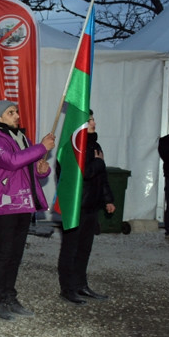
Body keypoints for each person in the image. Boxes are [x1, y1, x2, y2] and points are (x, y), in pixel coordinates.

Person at [0, 100, 55, 321]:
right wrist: (41, 148)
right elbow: (11, 162)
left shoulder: (22, 138)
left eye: (16, 111)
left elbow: (28, 170)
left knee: (16, 253)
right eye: (10, 112)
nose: (16, 115)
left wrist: (42, 170)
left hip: (24, 202)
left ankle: (11, 296)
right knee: (4, 253)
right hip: (5, 204)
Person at [57, 110, 116, 305]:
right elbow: (81, 175)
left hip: (91, 206)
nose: (93, 123)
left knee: (84, 248)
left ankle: (81, 284)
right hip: (75, 206)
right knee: (70, 248)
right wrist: (98, 164)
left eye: (93, 119)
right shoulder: (70, 147)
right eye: (89, 120)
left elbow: (101, 177)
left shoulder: (95, 145)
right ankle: (67, 289)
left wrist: (108, 199)